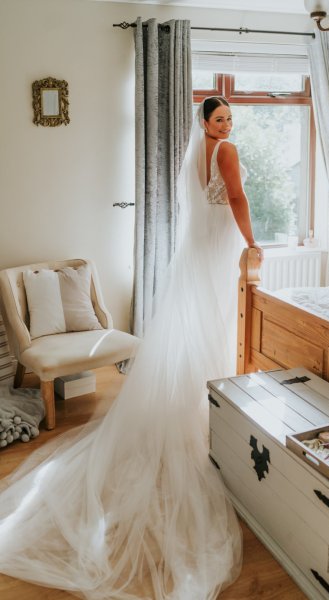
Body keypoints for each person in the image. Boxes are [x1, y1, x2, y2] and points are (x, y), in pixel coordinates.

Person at [0, 96, 263, 600]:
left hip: (198, 249)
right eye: (220, 118)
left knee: (205, 325)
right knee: (218, 323)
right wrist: (252, 242)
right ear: (205, 123)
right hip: (218, 246)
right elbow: (236, 201)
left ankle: (202, 400)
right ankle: (210, 406)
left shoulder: (195, 155)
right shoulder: (224, 152)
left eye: (230, 117)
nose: (227, 124)